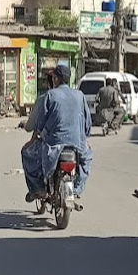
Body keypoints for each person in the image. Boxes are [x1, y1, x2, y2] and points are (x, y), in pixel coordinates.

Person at [20, 63, 93, 202]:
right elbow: (87, 122)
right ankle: (77, 189)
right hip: (77, 144)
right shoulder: (80, 95)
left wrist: (32, 141)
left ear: (55, 79)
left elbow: (39, 124)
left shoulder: (50, 95)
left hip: (54, 145)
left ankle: (38, 190)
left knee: (26, 153)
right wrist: (85, 140)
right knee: (87, 159)